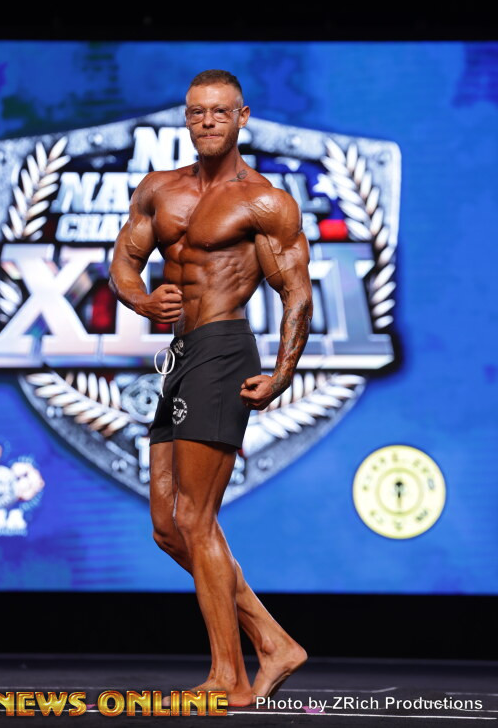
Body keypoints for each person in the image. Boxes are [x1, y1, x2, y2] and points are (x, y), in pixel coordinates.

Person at [109, 69, 313, 706]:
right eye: (198, 112)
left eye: (220, 111)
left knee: (196, 519)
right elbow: (123, 261)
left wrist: (282, 373)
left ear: (242, 117)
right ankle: (273, 641)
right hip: (180, 354)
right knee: (167, 528)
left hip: (223, 350)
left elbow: (296, 293)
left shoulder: (264, 202)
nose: (208, 122)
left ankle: (229, 675)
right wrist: (143, 301)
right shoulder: (159, 190)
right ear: (186, 117)